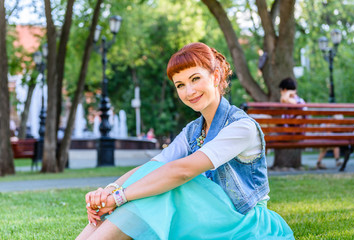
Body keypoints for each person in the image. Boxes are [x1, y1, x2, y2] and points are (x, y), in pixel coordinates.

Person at [76, 42, 294, 240]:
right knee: (155, 177)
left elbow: (182, 171)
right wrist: (107, 193)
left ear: (216, 76)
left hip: (243, 222)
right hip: (208, 215)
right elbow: (152, 166)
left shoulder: (241, 127)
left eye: (195, 79)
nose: (189, 91)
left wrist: (119, 197)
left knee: (170, 183)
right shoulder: (193, 130)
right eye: (180, 85)